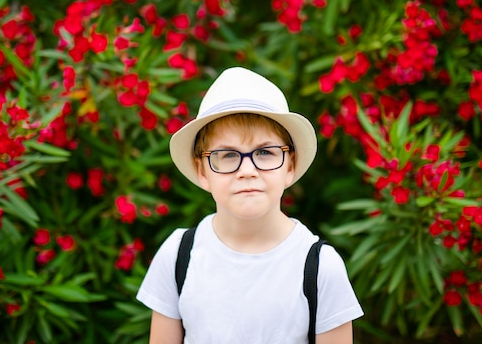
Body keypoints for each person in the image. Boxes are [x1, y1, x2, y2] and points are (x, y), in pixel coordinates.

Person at [136, 67, 363, 343]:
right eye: (227, 155)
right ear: (202, 171)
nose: (247, 170)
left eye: (265, 153)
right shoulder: (178, 254)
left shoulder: (319, 267)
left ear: (290, 166)